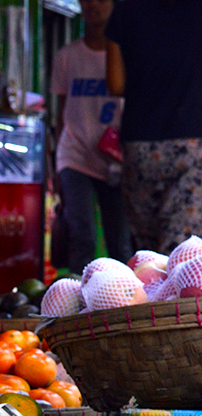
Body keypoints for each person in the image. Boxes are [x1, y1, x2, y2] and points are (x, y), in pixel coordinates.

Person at [106, 0, 202, 254]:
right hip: (193, 145)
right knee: (185, 254)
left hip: (140, 145)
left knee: (149, 258)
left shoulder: (125, 10)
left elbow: (115, 83)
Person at [50, 0, 131, 274]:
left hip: (116, 159)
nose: (92, 4)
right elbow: (60, 114)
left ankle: (124, 305)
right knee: (81, 236)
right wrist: (55, 168)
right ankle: (77, 306)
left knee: (119, 242)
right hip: (74, 156)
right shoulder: (66, 56)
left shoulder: (127, 55)